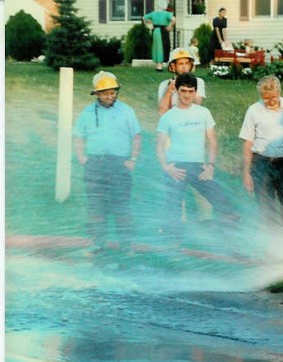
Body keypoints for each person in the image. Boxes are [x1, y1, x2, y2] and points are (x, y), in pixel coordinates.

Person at [156, 73, 232, 242]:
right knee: (173, 209)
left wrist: (210, 166)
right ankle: (173, 245)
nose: (187, 95)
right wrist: (166, 167)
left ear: (195, 91)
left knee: (222, 200)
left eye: (191, 91)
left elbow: (212, 140)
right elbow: (160, 146)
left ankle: (227, 239)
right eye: (183, 91)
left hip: (199, 167)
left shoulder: (203, 113)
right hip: (176, 168)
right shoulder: (168, 116)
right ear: (177, 90)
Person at [73, 72, 142, 256]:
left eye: (113, 92)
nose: (110, 96)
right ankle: (97, 244)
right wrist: (81, 157)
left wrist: (133, 159)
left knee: (122, 208)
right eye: (105, 93)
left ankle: (126, 246)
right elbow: (79, 136)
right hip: (95, 165)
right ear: (97, 94)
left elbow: (136, 136)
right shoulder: (87, 112)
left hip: (119, 165)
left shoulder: (126, 110)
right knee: (96, 207)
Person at [239, 75, 283, 218]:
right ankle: (270, 238)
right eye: (265, 98)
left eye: (273, 98)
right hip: (262, 163)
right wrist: (246, 173)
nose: (270, 102)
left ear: (279, 92)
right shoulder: (253, 111)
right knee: (265, 208)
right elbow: (248, 143)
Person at [158, 47, 206, 116]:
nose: (184, 67)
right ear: (173, 66)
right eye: (180, 64)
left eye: (187, 63)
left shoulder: (198, 81)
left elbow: (197, 104)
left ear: (190, 65)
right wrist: (169, 90)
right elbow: (162, 112)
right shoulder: (164, 84)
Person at [143, 0, 175, 72]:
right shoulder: (167, 14)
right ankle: (160, 65)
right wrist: (170, 26)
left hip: (155, 31)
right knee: (162, 47)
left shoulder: (153, 13)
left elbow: (144, 18)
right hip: (163, 31)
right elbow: (173, 20)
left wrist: (151, 24)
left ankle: (158, 65)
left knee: (156, 47)